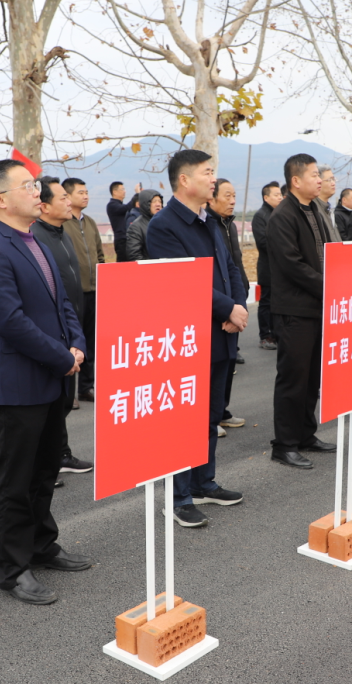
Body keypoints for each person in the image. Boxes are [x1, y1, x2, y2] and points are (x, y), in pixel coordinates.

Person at [0, 159, 93, 604]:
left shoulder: (35, 240)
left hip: (54, 379)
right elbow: (10, 321)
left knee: (44, 472)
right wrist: (62, 356)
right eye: (27, 185)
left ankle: (42, 546)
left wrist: (76, 344)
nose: (37, 190)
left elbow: (63, 302)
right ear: (0, 198)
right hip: (21, 385)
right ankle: (13, 568)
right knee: (15, 481)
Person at [146, 150, 248, 527]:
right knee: (183, 422)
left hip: (221, 334)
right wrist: (227, 310)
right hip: (189, 338)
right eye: (208, 173)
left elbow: (230, 269)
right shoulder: (165, 226)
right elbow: (181, 284)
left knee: (207, 417)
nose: (214, 180)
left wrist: (237, 306)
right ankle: (179, 497)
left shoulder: (209, 220)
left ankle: (205, 482)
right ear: (184, 180)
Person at [267, 153, 338, 470]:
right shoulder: (282, 216)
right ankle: (285, 444)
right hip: (295, 308)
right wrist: (330, 286)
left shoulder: (316, 209)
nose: (319, 179)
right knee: (293, 378)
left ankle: (306, 434)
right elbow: (292, 265)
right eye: (313, 174)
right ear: (295, 180)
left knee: (312, 378)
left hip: (318, 306)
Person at [31, 178, 94, 475]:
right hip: (49, 334)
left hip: (72, 327)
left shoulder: (63, 233)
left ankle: (60, 453)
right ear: (43, 205)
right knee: (49, 403)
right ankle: (46, 461)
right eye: (63, 197)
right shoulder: (35, 238)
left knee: (64, 401)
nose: (70, 202)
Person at [206, 178, 248, 433]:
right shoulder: (209, 225)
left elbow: (235, 266)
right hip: (219, 309)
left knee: (229, 362)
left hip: (234, 303)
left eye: (234, 195)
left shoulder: (229, 225)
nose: (233, 200)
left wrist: (240, 305)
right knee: (215, 366)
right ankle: (212, 415)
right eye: (228, 195)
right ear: (212, 198)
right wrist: (228, 310)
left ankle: (221, 411)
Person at [61, 178, 103, 403]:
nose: (86, 195)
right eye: (81, 192)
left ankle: (86, 388)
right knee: (71, 341)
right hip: (72, 293)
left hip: (94, 291)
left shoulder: (91, 222)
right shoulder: (63, 223)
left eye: (87, 192)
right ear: (67, 196)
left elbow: (99, 254)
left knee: (89, 341)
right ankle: (70, 391)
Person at [253, 181, 282, 350]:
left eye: (280, 194)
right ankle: (265, 336)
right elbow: (263, 243)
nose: (280, 197)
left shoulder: (279, 214)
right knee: (266, 302)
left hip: (280, 267)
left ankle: (277, 333)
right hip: (268, 267)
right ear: (266, 197)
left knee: (277, 301)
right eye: (276, 195)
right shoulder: (261, 216)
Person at [106, 180, 142, 262]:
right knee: (123, 265)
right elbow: (126, 208)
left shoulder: (119, 204)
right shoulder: (112, 205)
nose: (124, 191)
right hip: (121, 240)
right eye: (122, 189)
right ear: (114, 192)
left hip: (127, 239)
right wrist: (137, 194)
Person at [125, 189, 162, 261]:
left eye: (160, 201)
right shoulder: (136, 227)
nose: (158, 204)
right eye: (154, 201)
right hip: (149, 269)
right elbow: (134, 254)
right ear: (145, 204)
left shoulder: (165, 222)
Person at [313, 166, 342, 242]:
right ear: (318, 182)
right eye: (329, 180)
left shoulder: (328, 209)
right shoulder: (314, 209)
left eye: (333, 179)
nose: (333, 183)